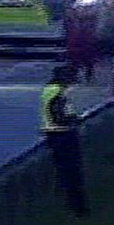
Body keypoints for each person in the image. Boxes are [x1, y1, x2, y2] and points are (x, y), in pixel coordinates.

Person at [40, 63, 90, 216]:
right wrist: (74, 121)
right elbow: (59, 115)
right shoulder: (56, 93)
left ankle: (69, 203)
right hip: (62, 136)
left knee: (65, 172)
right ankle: (78, 208)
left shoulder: (52, 90)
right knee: (71, 174)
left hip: (56, 134)